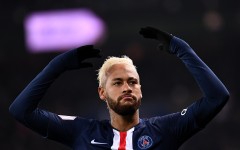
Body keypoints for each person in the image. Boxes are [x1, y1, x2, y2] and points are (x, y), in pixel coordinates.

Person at [9, 26, 229, 150]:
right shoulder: (82, 132)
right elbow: (21, 110)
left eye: (133, 82)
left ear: (141, 91)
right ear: (102, 92)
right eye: (117, 82)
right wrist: (56, 66)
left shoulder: (167, 129)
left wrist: (182, 49)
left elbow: (217, 97)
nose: (127, 87)